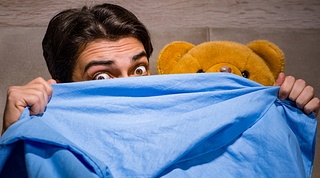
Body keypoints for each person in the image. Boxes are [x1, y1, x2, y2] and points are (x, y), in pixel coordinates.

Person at [1, 3, 320, 136]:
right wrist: (15, 136)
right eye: (102, 76)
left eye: (138, 70)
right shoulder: (50, 142)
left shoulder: (196, 125)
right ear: (62, 90)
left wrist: (282, 123)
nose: (130, 87)